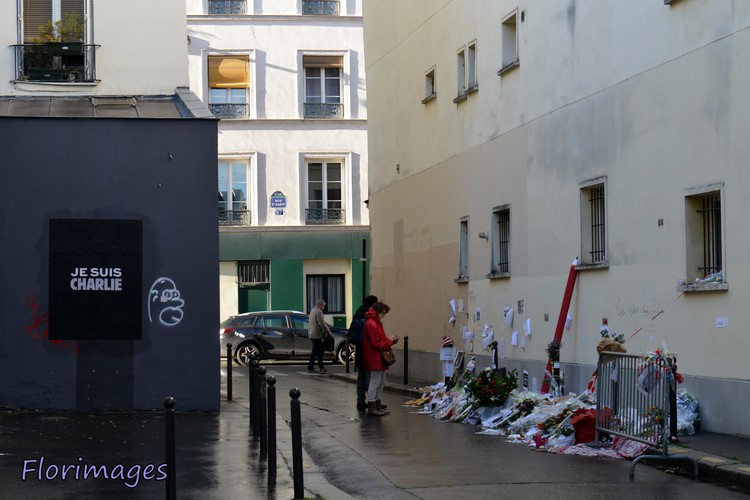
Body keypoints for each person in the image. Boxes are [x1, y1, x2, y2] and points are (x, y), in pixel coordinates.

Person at [362, 302, 399, 416]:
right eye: (383, 313)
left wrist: (390, 340)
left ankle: (376, 404)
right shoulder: (372, 323)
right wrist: (390, 341)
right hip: (375, 357)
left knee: (381, 382)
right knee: (375, 382)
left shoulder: (374, 323)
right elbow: (376, 343)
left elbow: (379, 340)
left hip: (378, 356)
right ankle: (372, 406)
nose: (384, 315)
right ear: (378, 312)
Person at [351, 294, 379, 409]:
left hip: (359, 347)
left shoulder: (358, 312)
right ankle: (372, 401)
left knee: (361, 375)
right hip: (368, 348)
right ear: (373, 304)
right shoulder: (370, 314)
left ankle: (360, 400)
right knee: (370, 376)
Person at [307, 299, 332, 373]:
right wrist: (329, 332)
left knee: (318, 351)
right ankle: (312, 367)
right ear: (320, 305)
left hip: (312, 334)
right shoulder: (318, 311)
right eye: (323, 306)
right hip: (317, 335)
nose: (323, 308)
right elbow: (322, 323)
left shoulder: (313, 310)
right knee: (317, 351)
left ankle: (319, 366)